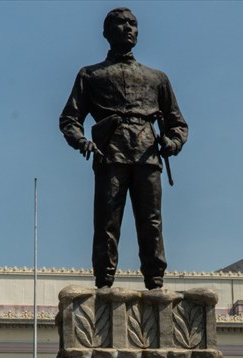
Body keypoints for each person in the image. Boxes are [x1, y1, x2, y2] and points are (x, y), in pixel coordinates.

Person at [59, 7, 188, 290]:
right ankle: (104, 281)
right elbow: (69, 119)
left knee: (152, 222)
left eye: (133, 23)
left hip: (147, 154)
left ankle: (155, 281)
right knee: (107, 221)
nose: (128, 28)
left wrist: (172, 142)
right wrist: (82, 141)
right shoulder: (91, 75)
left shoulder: (157, 78)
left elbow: (178, 124)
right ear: (106, 33)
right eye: (120, 23)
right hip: (110, 154)